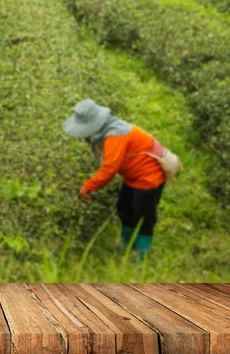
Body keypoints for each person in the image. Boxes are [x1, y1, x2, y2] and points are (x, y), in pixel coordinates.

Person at [63, 99, 166, 261]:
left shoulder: (115, 135)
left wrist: (88, 186)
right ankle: (127, 244)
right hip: (133, 177)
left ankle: (141, 254)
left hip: (149, 178)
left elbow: (109, 170)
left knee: (143, 215)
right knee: (124, 208)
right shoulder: (107, 131)